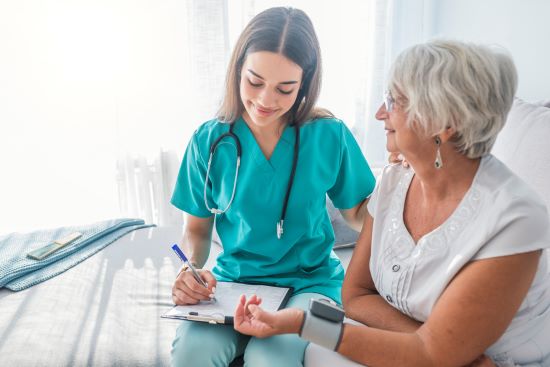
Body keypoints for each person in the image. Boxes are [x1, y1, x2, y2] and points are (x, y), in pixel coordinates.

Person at [233, 40, 550, 367]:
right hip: (442, 354)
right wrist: (439, 344)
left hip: (498, 362)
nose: (380, 113)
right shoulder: (394, 182)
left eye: (394, 101)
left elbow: (430, 355)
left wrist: (304, 323)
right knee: (318, 354)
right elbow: (355, 296)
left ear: (445, 121)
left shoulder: (515, 220)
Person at [170, 6, 376, 367]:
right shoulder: (209, 141)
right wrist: (189, 269)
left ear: (306, 85)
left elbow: (361, 214)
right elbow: (197, 231)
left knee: (271, 358)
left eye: (285, 89)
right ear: (237, 71)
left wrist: (408, 190)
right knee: (192, 353)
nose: (266, 100)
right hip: (233, 283)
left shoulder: (329, 135)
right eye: (254, 81)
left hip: (312, 286)